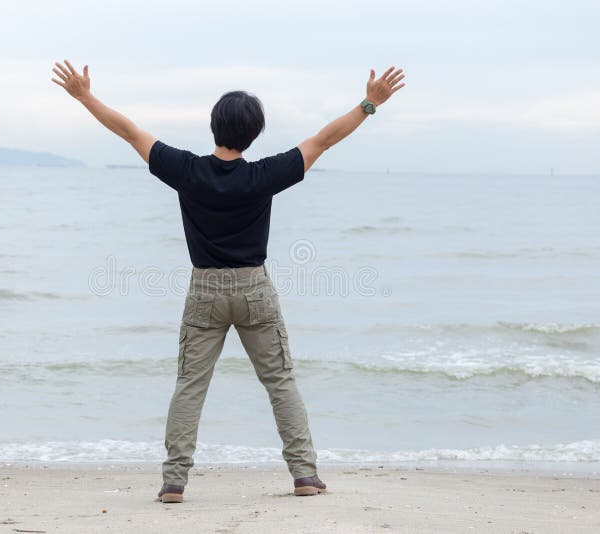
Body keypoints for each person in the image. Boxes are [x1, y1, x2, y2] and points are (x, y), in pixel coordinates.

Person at [51, 60, 405, 503]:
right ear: (253, 133)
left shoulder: (186, 171)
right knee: (280, 382)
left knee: (190, 385)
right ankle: (305, 476)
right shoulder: (264, 175)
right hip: (255, 289)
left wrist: (84, 97)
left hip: (204, 291)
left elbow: (129, 132)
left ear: (214, 126)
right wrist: (371, 103)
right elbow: (323, 140)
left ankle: (174, 481)